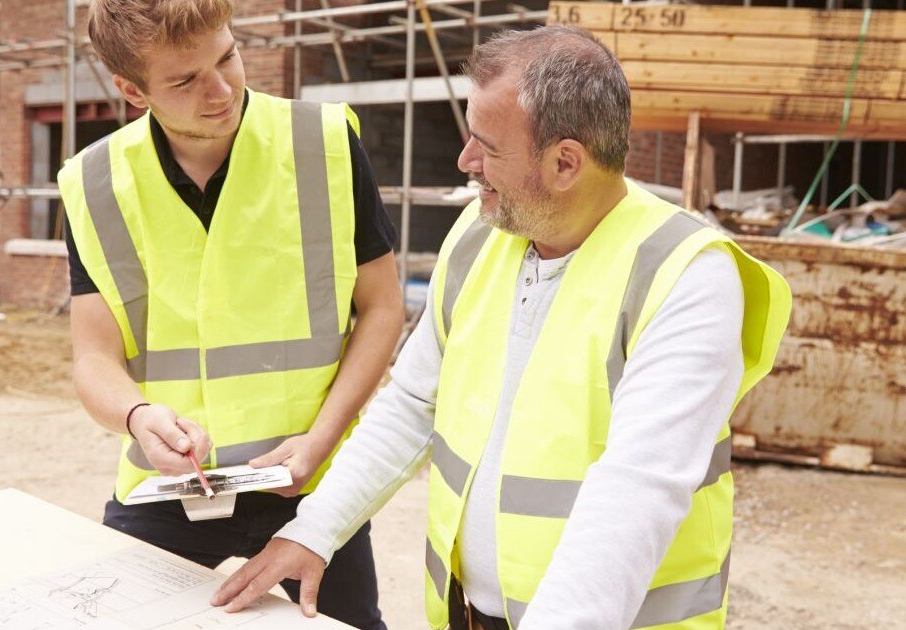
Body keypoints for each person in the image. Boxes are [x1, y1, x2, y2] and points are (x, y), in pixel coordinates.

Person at [212, 25, 792, 629]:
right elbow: (411, 403)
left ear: (565, 162)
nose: (465, 161)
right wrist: (315, 530)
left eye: (487, 146)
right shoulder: (478, 237)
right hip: (468, 612)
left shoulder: (686, 277)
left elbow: (637, 491)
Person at [56, 1, 402, 628]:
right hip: (167, 489)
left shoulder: (324, 142)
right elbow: (93, 357)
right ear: (132, 90)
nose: (221, 91)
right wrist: (137, 417)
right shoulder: (94, 182)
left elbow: (382, 310)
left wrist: (319, 442)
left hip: (312, 476)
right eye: (185, 80)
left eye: (228, 57)